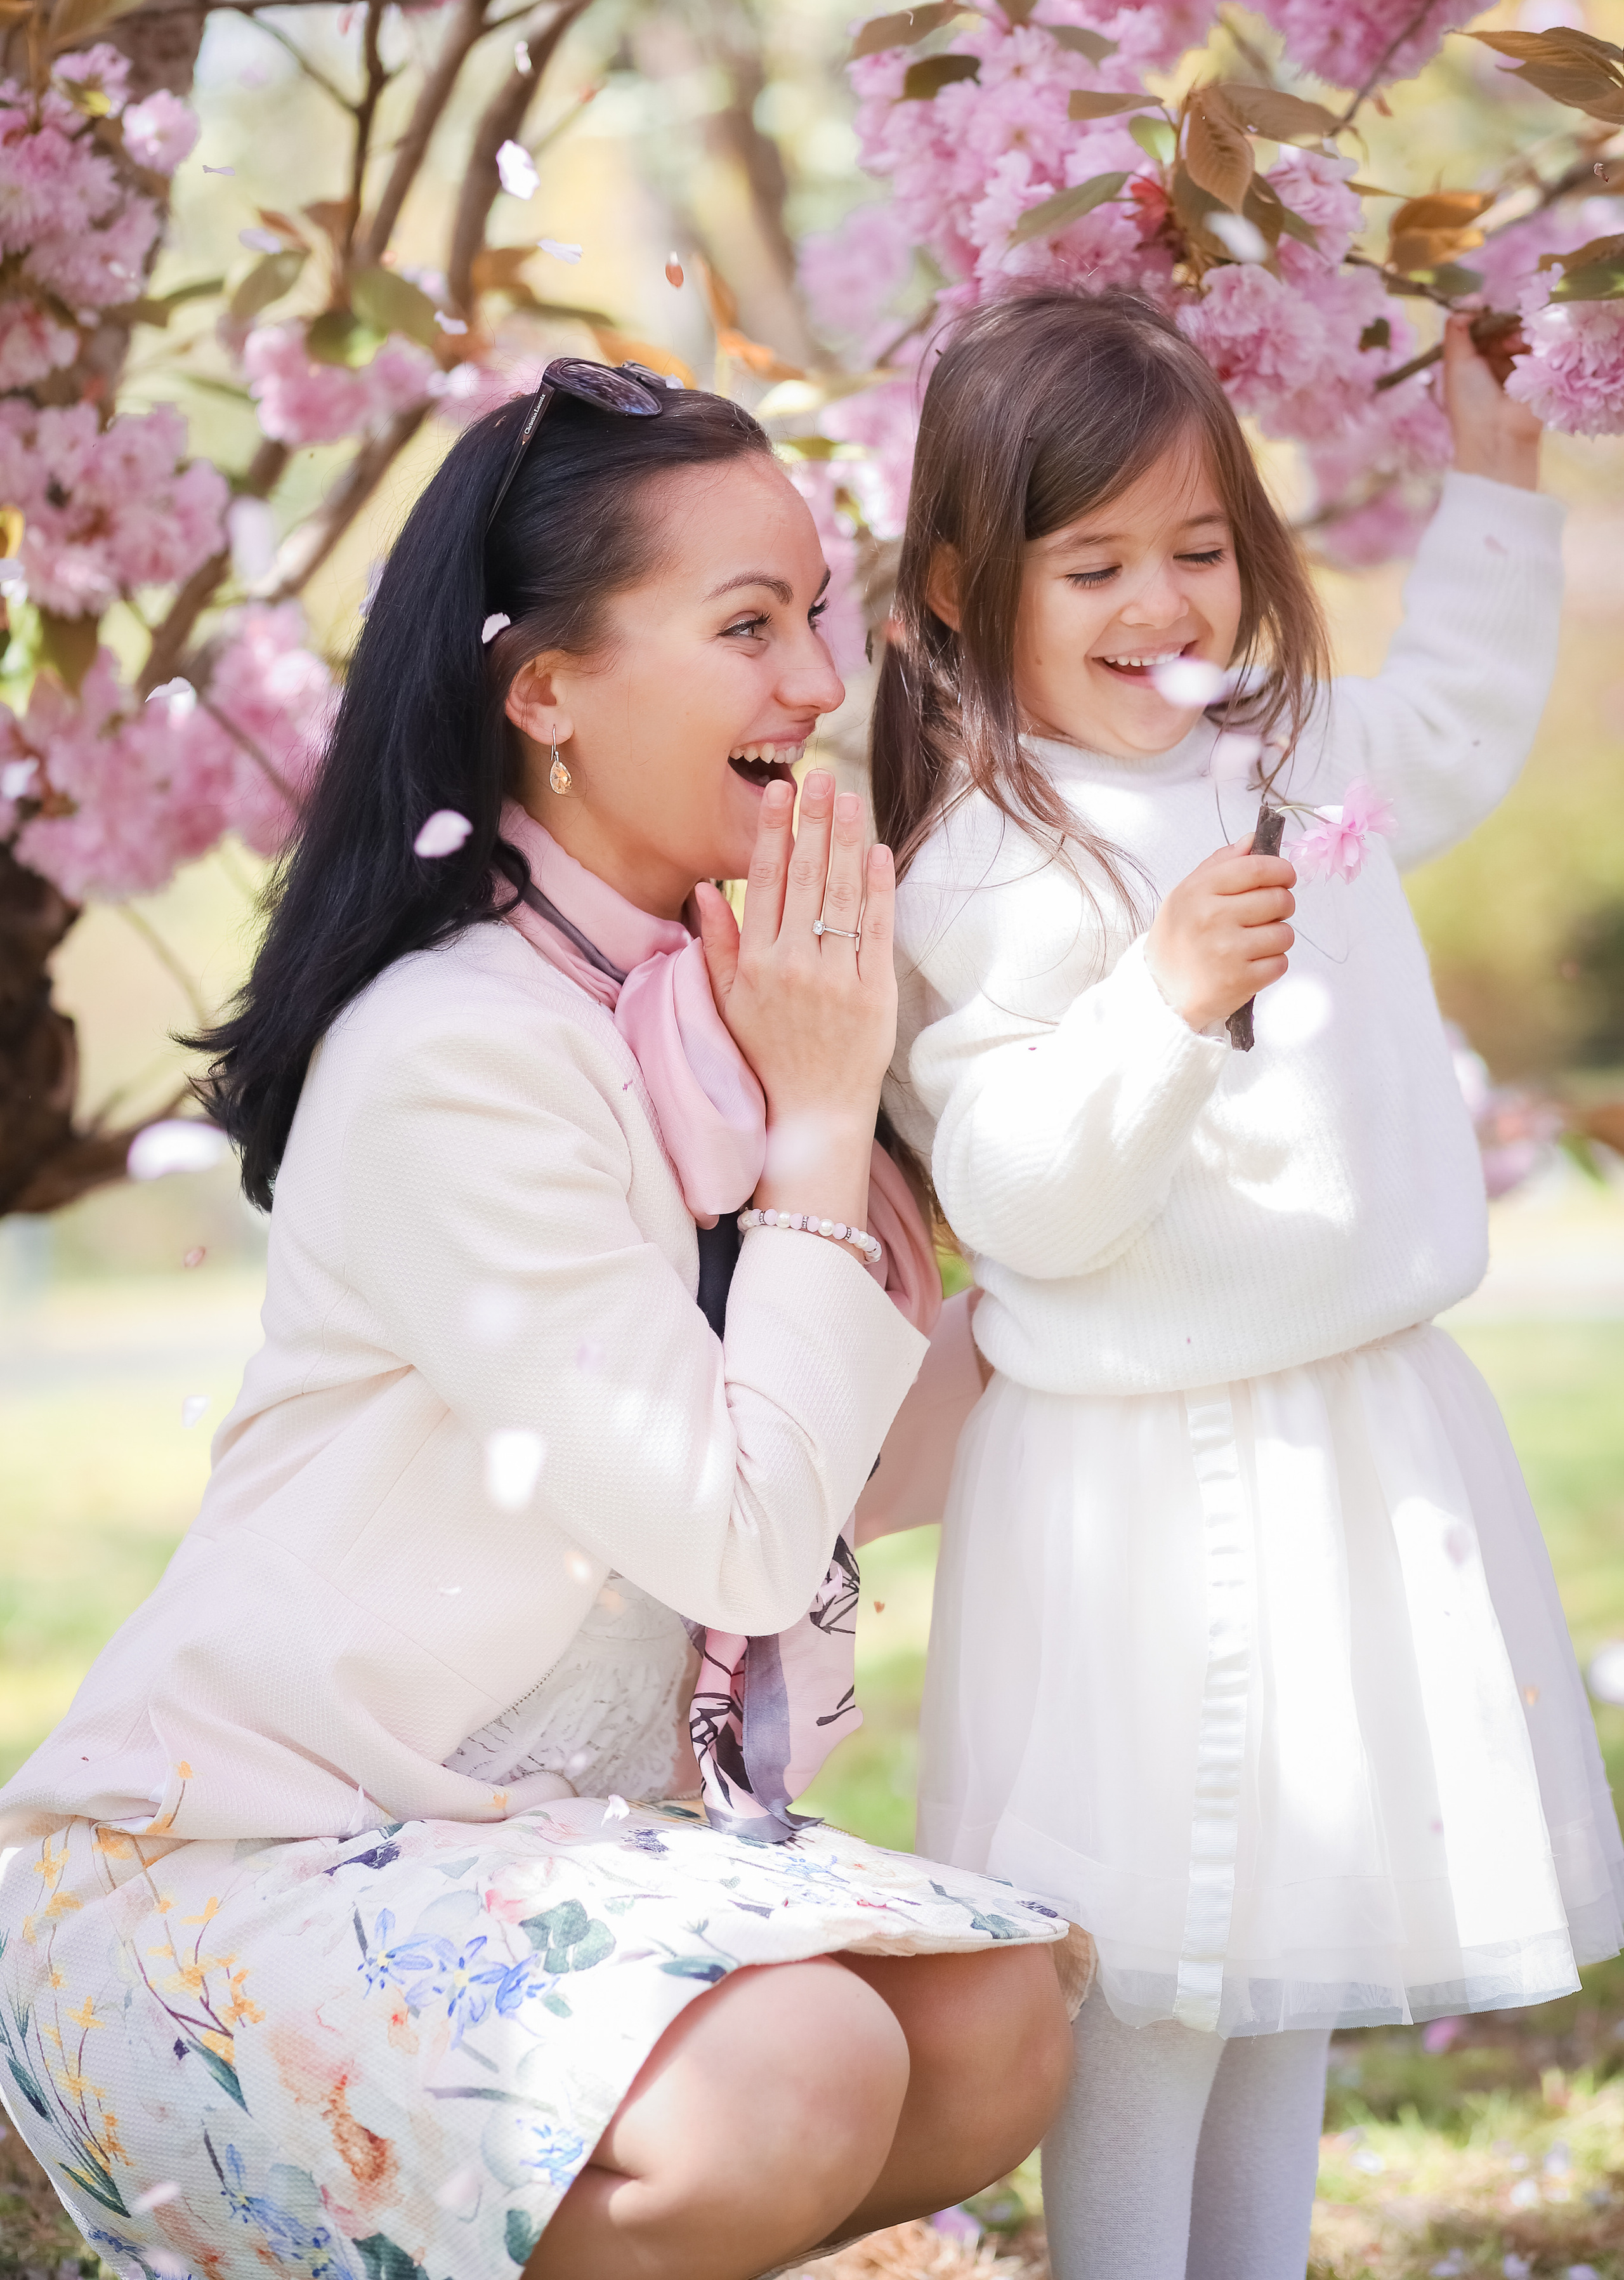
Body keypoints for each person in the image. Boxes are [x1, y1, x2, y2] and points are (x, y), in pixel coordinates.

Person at [0, 364, 1076, 2280]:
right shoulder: (457, 1055)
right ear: (544, 690)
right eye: (748, 626)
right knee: (803, 2068)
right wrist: (826, 1119)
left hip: (541, 1846)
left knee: (1000, 2026)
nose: (819, 686)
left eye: (815, 616)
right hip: (248, 1862)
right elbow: (739, 1526)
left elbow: (861, 1465)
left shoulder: (722, 1008)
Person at [872, 289, 1624, 2280]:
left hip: (1351, 1427)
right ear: (968, 587)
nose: (1165, 602)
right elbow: (1025, 1195)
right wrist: (1167, 1001)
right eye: (1095, 562)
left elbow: (1451, 725)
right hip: (1142, 1479)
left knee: (1290, 1936)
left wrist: (1490, 484)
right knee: (1148, 1968)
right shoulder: (990, 856)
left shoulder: (1297, 750)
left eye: (1201, 549)